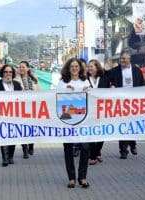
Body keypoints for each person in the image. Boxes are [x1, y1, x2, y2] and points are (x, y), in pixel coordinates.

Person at [99, 50, 145, 159]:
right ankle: (123, 150)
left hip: (134, 102)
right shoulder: (114, 71)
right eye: (121, 59)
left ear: (129, 59)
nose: (123, 60)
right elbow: (105, 80)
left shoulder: (136, 70)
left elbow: (143, 84)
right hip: (120, 102)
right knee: (122, 125)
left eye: (125, 58)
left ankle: (133, 144)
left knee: (132, 125)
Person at [57, 57, 90, 188]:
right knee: (68, 148)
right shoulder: (63, 82)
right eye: (72, 67)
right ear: (68, 69)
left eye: (77, 66)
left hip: (84, 120)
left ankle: (82, 177)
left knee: (85, 148)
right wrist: (66, 91)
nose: (75, 69)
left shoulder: (85, 81)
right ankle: (71, 178)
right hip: (68, 121)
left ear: (80, 68)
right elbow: (57, 97)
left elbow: (91, 97)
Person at [0, 64, 22, 167]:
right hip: (1, 115)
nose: (8, 74)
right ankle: (5, 158)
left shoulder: (17, 85)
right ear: (2, 73)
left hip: (14, 114)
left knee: (12, 135)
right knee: (3, 135)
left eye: (10, 72)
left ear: (13, 74)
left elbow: (23, 99)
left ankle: (11, 156)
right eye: (6, 72)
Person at [15, 61, 39, 159]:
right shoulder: (15, 79)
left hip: (32, 107)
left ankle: (31, 145)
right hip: (21, 107)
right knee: (23, 129)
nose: (21, 69)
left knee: (32, 128)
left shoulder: (34, 80)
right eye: (19, 67)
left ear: (28, 68)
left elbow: (39, 92)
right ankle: (24, 149)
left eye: (23, 67)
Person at [87, 59, 104, 165]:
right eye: (88, 67)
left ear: (97, 67)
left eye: (91, 66)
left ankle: (97, 151)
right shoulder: (85, 80)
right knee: (91, 132)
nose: (89, 68)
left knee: (102, 133)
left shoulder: (104, 78)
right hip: (90, 110)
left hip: (102, 110)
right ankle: (93, 156)